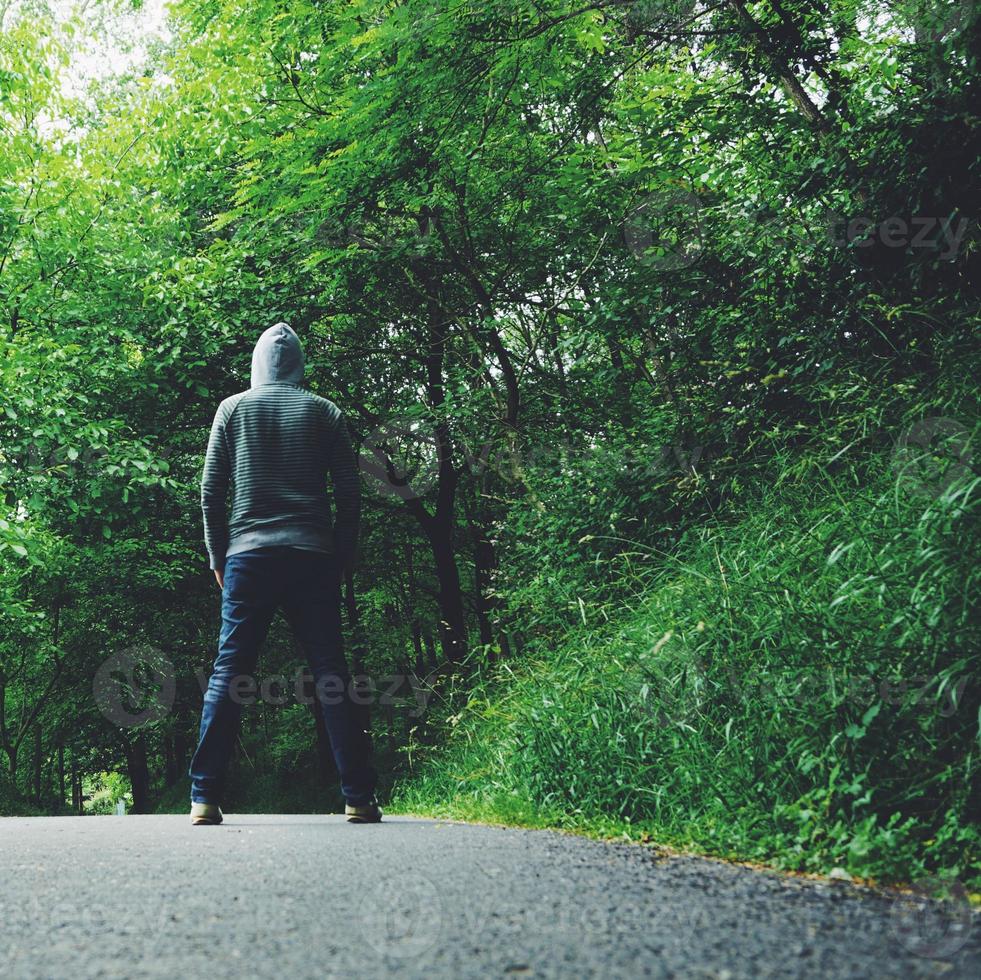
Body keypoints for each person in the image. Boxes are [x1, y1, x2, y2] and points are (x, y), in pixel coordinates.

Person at [187, 322, 380, 825]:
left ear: (255, 363)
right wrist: (344, 558)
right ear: (299, 364)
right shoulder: (324, 412)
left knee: (230, 671)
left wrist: (217, 557)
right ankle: (358, 797)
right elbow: (350, 495)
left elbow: (210, 492)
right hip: (314, 556)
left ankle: (204, 798)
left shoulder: (232, 409)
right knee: (331, 675)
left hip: (248, 557)